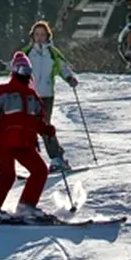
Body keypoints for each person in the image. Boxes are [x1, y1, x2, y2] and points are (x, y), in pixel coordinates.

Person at [0, 51, 56, 221]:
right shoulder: (4, 92)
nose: (25, 73)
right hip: (4, 141)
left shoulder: (33, 97)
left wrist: (46, 129)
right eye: (21, 70)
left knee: (40, 170)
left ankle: (26, 206)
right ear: (14, 71)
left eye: (28, 70)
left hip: (25, 143)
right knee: (8, 175)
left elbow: (37, 121)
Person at [19, 20, 79, 172]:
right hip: (29, 96)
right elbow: (15, 66)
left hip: (46, 96)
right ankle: (26, 161)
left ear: (47, 36)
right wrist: (2, 68)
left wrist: (69, 78)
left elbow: (62, 68)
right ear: (33, 36)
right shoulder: (26, 52)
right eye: (37, 34)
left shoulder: (52, 53)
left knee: (44, 126)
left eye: (43, 35)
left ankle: (57, 158)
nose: (40, 37)